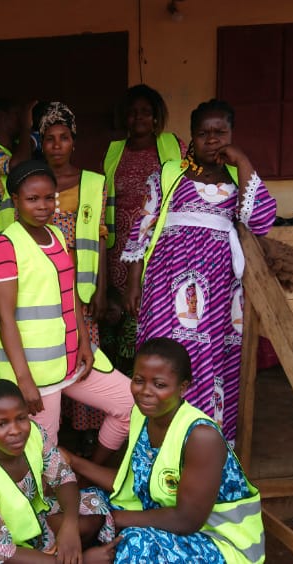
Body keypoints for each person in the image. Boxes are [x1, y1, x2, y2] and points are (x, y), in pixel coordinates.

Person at [122, 99, 277, 442]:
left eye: (220, 132)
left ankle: (203, 440)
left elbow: (261, 221)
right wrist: (133, 283)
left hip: (219, 289)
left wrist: (243, 161)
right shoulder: (169, 174)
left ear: (231, 134)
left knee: (209, 361)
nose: (212, 140)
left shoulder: (238, 179)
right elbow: (141, 229)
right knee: (161, 355)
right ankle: (157, 438)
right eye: (203, 133)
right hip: (165, 284)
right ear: (191, 135)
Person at [0, 160, 133, 464]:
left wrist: (84, 342)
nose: (43, 206)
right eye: (32, 199)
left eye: (49, 198)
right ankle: (54, 490)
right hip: (36, 371)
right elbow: (5, 318)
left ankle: (90, 470)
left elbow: (70, 295)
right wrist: (24, 380)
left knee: (130, 404)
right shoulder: (4, 248)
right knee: (43, 449)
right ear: (15, 200)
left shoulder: (57, 235)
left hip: (72, 357)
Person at [65, 338, 264, 563]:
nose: (145, 392)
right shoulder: (141, 415)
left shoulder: (201, 436)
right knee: (79, 506)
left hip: (218, 540)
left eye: (159, 385)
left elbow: (186, 520)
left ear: (183, 387)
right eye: (138, 380)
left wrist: (111, 519)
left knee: (136, 545)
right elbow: (129, 483)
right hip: (158, 515)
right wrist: (73, 461)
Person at [0, 379, 120, 564]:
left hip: (23, 520)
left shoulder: (34, 434)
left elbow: (63, 478)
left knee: (92, 516)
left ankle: (61, 552)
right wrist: (83, 560)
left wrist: (69, 527)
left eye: (21, 418)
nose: (15, 431)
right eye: (2, 423)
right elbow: (3, 554)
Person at [36, 101, 111, 438]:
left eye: (63, 138)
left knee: (83, 351)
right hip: (43, 284)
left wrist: (101, 289)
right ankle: (53, 428)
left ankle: (84, 430)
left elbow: (100, 238)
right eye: (49, 138)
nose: (56, 145)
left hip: (81, 285)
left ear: (74, 142)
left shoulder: (93, 183)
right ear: (41, 143)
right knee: (49, 349)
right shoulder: (33, 182)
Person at [100, 85, 184, 373]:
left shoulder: (173, 146)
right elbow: (103, 195)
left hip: (158, 244)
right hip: (119, 247)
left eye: (146, 112)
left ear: (156, 117)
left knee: (151, 310)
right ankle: (122, 379)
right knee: (117, 313)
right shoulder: (114, 151)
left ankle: (151, 374)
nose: (139, 118)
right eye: (133, 112)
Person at [0, 98, 37, 250]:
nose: (21, 119)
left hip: (23, 232)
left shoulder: (19, 149)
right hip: (3, 239)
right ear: (2, 117)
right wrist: (25, 127)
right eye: (17, 114)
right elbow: (16, 166)